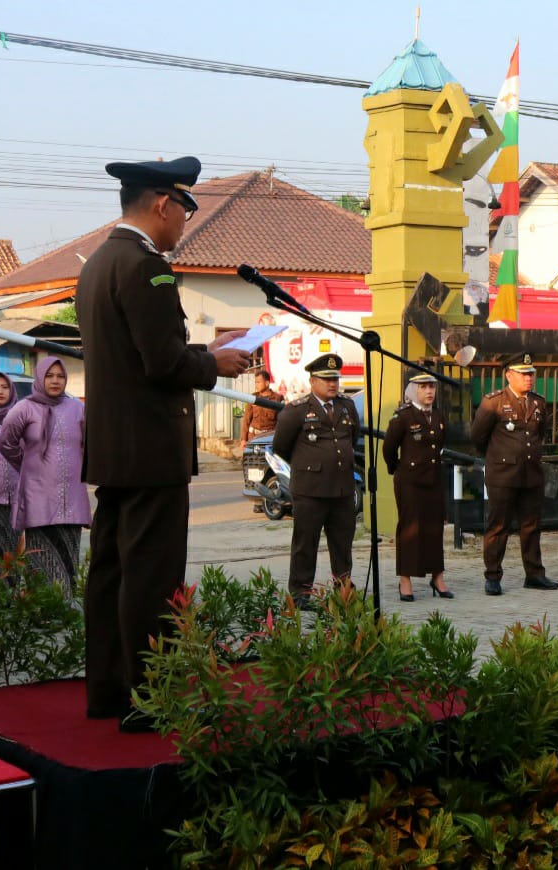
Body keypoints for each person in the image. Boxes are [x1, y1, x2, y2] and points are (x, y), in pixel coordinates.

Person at [76, 155, 252, 731]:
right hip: (151, 448)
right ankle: (153, 699)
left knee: (111, 574)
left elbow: (134, 352)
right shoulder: (147, 267)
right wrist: (215, 362)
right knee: (152, 578)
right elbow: (162, 362)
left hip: (113, 447)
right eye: (184, 209)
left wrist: (201, 348)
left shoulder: (101, 262)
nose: (184, 224)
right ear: (161, 204)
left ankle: (107, 693)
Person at [273, 353, 360, 602]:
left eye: (335, 378)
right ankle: (301, 593)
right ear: (312, 382)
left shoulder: (347, 406)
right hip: (310, 491)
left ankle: (342, 591)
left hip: (342, 490)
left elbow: (351, 439)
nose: (332, 383)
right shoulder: (298, 410)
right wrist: (309, 465)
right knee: (305, 544)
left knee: (342, 544)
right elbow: (281, 446)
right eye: (325, 379)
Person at [0, 357, 90, 594]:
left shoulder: (77, 408)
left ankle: (65, 608)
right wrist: (28, 467)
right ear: (40, 378)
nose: (55, 381)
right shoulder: (23, 409)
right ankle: (43, 610)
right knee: (41, 556)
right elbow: (7, 444)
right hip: (38, 496)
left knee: (69, 556)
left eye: (60, 376)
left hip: (72, 497)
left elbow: (91, 444)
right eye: (49, 376)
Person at [471, 355, 556, 596]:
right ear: (509, 375)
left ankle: (534, 574)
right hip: (503, 474)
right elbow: (478, 436)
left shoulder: (538, 403)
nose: (529, 378)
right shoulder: (494, 402)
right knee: (498, 527)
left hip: (530, 474)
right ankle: (493, 575)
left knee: (531, 526)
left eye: (531, 373)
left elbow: (540, 433)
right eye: (523, 374)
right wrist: (498, 457)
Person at [383, 373, 452, 602]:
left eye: (432, 387)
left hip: (433, 479)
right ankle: (405, 580)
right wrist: (398, 470)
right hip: (410, 481)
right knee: (410, 530)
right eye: (423, 387)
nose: (429, 392)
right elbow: (389, 449)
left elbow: (440, 446)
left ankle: (437, 576)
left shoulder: (439, 416)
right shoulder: (403, 416)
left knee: (435, 529)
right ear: (413, 391)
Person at [0, 373, 19, 560]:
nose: (0, 391)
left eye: (5, 387)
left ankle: (12, 589)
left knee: (12, 556)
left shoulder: (22, 419)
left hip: (17, 500)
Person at [239, 369, 281, 449]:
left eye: (258, 382)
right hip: (253, 437)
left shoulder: (277, 398)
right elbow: (246, 420)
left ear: (267, 383)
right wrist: (243, 439)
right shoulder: (252, 398)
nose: (256, 385)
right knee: (251, 460)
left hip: (270, 438)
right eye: (255, 382)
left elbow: (280, 421)